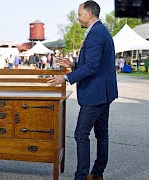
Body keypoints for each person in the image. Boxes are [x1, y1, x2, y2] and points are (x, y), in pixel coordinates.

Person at [47, 1, 118, 180]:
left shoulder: (95, 34)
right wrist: (73, 64)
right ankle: (97, 173)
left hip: (95, 94)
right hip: (104, 92)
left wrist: (65, 77)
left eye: (79, 14)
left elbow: (93, 66)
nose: (78, 17)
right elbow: (95, 64)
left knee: (81, 134)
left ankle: (81, 176)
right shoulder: (101, 31)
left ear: (88, 14)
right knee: (102, 134)